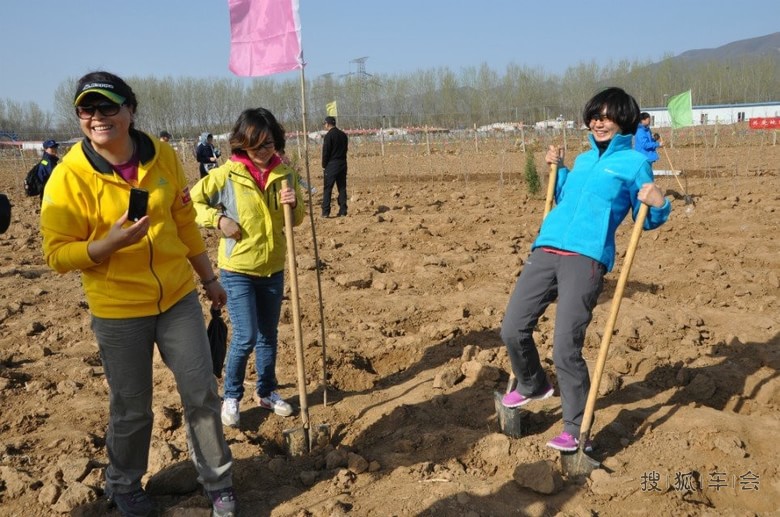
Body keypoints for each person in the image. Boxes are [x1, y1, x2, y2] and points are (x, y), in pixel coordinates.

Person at [39, 71, 237, 517]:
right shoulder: (68, 177)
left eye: (108, 106)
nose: (97, 116)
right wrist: (105, 246)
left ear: (130, 110)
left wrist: (209, 279)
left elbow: (184, 222)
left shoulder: (162, 156)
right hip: (119, 311)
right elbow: (56, 254)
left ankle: (218, 480)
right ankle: (124, 484)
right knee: (132, 408)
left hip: (177, 299)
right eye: (87, 109)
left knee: (202, 394)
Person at [499, 87, 671, 452]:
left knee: (565, 346)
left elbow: (647, 216)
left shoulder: (634, 163)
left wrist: (659, 204)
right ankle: (532, 384)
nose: (598, 122)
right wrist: (558, 172)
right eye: (594, 116)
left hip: (586, 257)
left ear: (624, 120)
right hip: (546, 247)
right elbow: (567, 200)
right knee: (512, 327)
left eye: (606, 117)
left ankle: (576, 429)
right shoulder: (583, 159)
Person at [191, 107, 305, 428]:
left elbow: (297, 220)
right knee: (246, 335)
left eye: (269, 143)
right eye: (256, 144)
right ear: (242, 143)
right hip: (238, 268)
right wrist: (219, 220)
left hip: (273, 267)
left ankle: (266, 391)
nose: (263, 151)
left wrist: (293, 203)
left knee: (268, 334)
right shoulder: (226, 175)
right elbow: (191, 204)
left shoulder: (285, 174)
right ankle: (231, 394)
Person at [320, 116, 348, 217]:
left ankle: (325, 212)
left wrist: (324, 165)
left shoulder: (329, 136)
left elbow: (326, 152)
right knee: (342, 188)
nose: (324, 125)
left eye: (325, 124)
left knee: (328, 188)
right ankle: (343, 210)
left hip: (332, 164)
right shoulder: (343, 135)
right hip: (342, 163)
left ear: (327, 124)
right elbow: (345, 149)